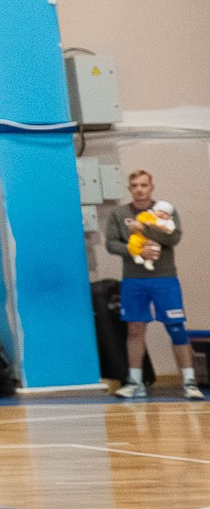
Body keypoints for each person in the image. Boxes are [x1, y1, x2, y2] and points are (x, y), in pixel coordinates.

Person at [105, 169, 198, 401]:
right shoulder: (119, 213)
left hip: (164, 279)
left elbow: (173, 238)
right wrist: (135, 249)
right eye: (134, 185)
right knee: (135, 330)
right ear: (129, 189)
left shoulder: (165, 211)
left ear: (151, 187)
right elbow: (111, 244)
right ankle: (135, 383)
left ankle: (189, 381)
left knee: (175, 327)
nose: (139, 190)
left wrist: (144, 228)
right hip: (133, 280)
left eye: (143, 185)